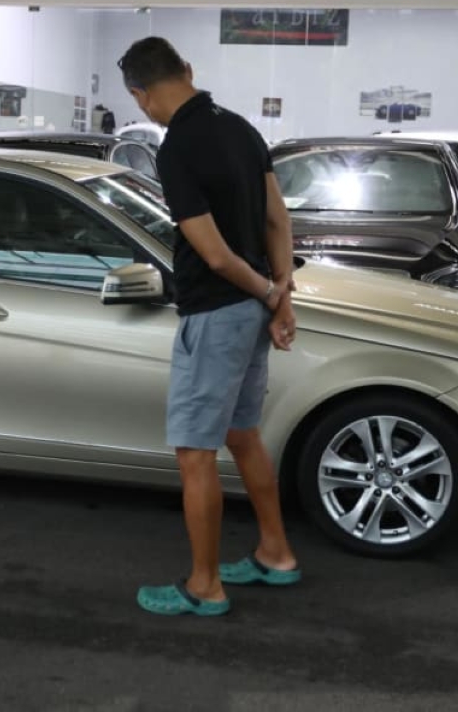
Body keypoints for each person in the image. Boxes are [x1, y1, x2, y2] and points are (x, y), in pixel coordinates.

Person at [117, 37, 300, 617]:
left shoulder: (177, 148)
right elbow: (277, 219)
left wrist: (270, 292)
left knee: (195, 453)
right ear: (188, 71)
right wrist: (280, 295)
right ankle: (275, 553)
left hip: (218, 312)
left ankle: (204, 585)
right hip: (252, 312)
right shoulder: (243, 129)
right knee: (243, 435)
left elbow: (215, 256)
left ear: (140, 95)